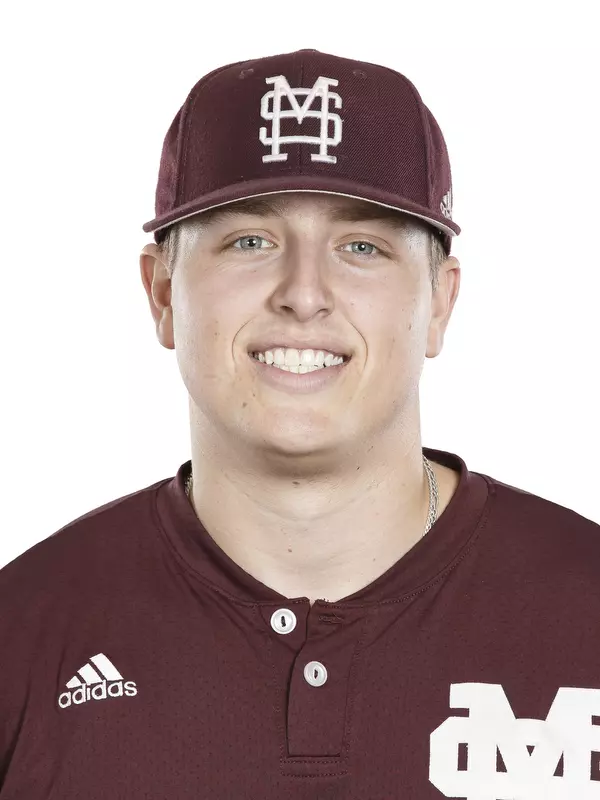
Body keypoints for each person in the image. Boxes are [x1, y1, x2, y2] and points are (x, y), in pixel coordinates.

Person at [1, 48, 598, 800]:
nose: (304, 294)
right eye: (251, 241)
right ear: (160, 293)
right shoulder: (23, 634)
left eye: (362, 246)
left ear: (440, 304)